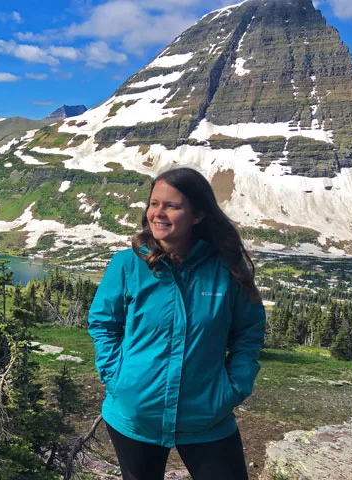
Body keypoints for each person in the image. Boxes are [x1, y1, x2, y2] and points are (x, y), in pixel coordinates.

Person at [88, 167, 265, 480]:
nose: (158, 213)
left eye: (171, 206)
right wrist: (118, 379)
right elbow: (103, 324)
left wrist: (234, 387)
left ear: (197, 215)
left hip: (207, 417)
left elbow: (248, 333)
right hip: (135, 413)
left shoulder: (227, 268)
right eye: (154, 204)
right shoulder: (127, 265)